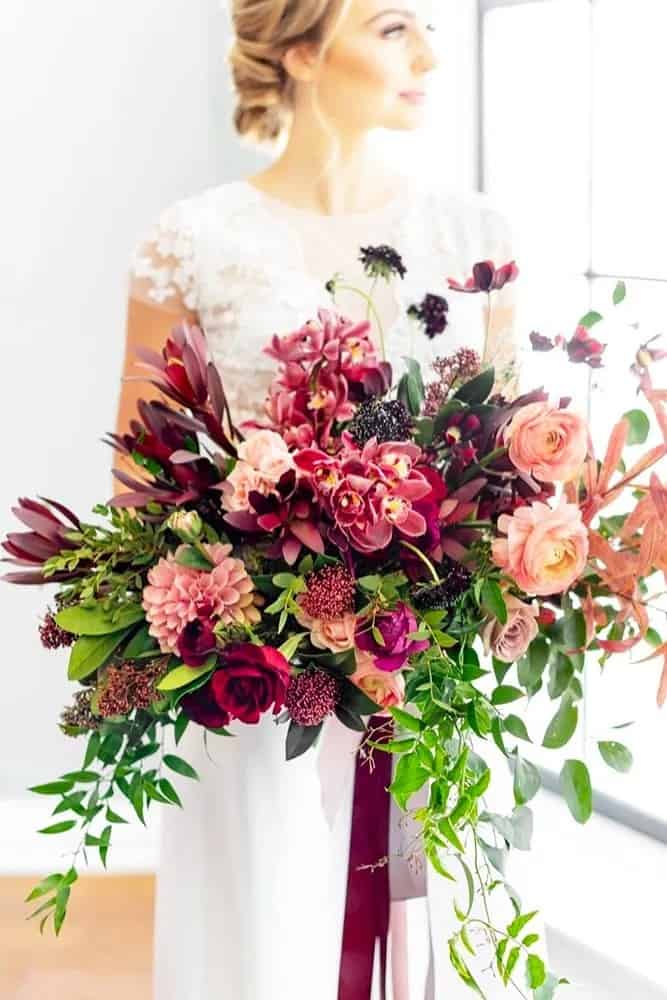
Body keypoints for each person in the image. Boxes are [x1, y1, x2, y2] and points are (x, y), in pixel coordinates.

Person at [115, 2, 534, 997]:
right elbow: (142, 479)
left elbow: (510, 464)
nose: (429, 53)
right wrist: (244, 603)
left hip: (426, 677)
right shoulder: (192, 240)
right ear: (302, 50)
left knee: (435, 928)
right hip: (254, 680)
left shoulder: (476, 235)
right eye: (393, 26)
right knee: (259, 932)